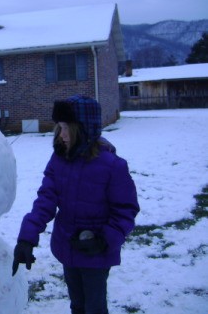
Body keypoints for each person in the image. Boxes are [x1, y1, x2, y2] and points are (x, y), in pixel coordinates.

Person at [12, 95, 139, 314]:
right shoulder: (59, 160)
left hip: (96, 252)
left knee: (94, 306)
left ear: (83, 129)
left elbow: (125, 211)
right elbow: (45, 200)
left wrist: (104, 240)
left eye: (65, 128)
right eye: (58, 128)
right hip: (66, 245)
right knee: (77, 304)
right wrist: (26, 238)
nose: (61, 135)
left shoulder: (113, 166)